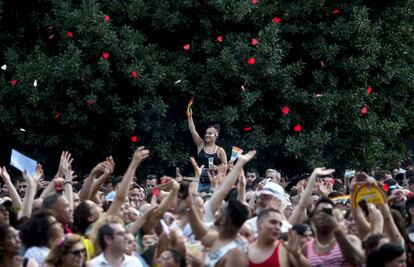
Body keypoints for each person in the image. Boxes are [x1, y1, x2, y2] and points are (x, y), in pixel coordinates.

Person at [305, 197, 365, 267]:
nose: (323, 216)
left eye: (328, 212)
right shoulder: (307, 247)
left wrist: (336, 228)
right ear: (312, 219)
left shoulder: (351, 239)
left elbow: (358, 260)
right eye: (319, 213)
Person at [186, 100, 227, 173]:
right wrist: (189, 117)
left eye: (210, 133)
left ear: (216, 135)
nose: (207, 135)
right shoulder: (201, 145)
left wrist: (216, 168)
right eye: (206, 133)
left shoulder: (220, 150)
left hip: (214, 182)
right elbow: (193, 131)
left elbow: (225, 167)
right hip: (200, 181)